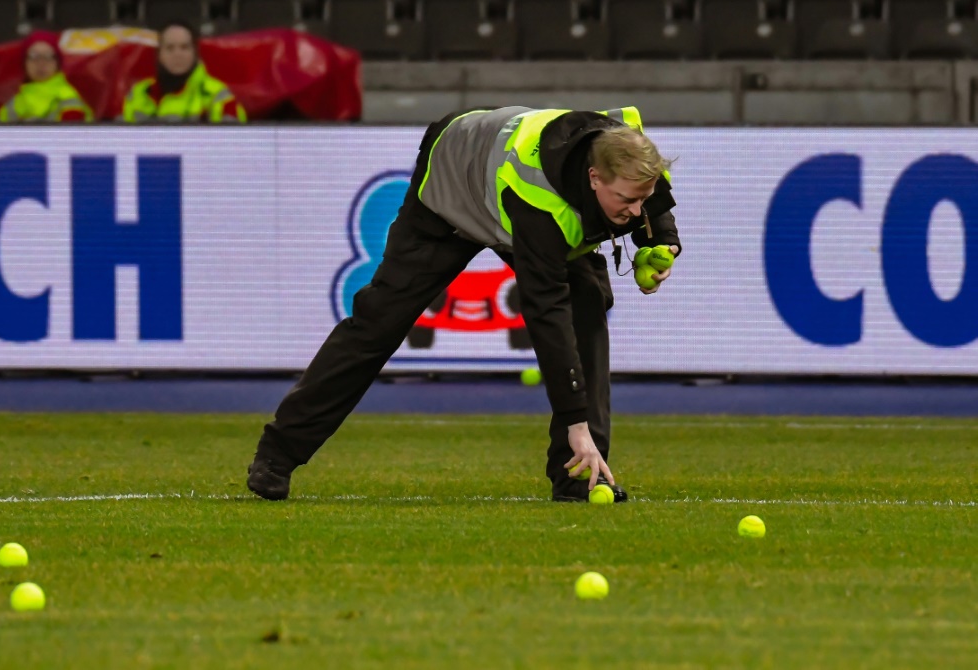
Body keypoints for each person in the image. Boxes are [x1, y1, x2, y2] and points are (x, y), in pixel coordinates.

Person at [246, 106, 682, 503]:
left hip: (501, 185)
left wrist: (660, 242)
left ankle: (579, 477)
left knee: (587, 311)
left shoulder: (626, 149)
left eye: (639, 200)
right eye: (626, 202)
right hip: (449, 197)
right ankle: (277, 456)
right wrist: (576, 424)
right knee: (376, 325)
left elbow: (650, 194)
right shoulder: (539, 205)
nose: (634, 209)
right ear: (593, 177)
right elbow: (546, 317)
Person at [123, 22, 246, 123]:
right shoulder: (138, 93)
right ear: (159, 55)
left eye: (184, 47)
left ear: (195, 53)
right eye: (170, 48)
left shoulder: (217, 95)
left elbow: (232, 145)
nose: (178, 54)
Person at [0, 33, 93, 123]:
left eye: (48, 56)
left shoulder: (69, 101)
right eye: (33, 56)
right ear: (24, 63)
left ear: (57, 63)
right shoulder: (11, 107)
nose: (41, 63)